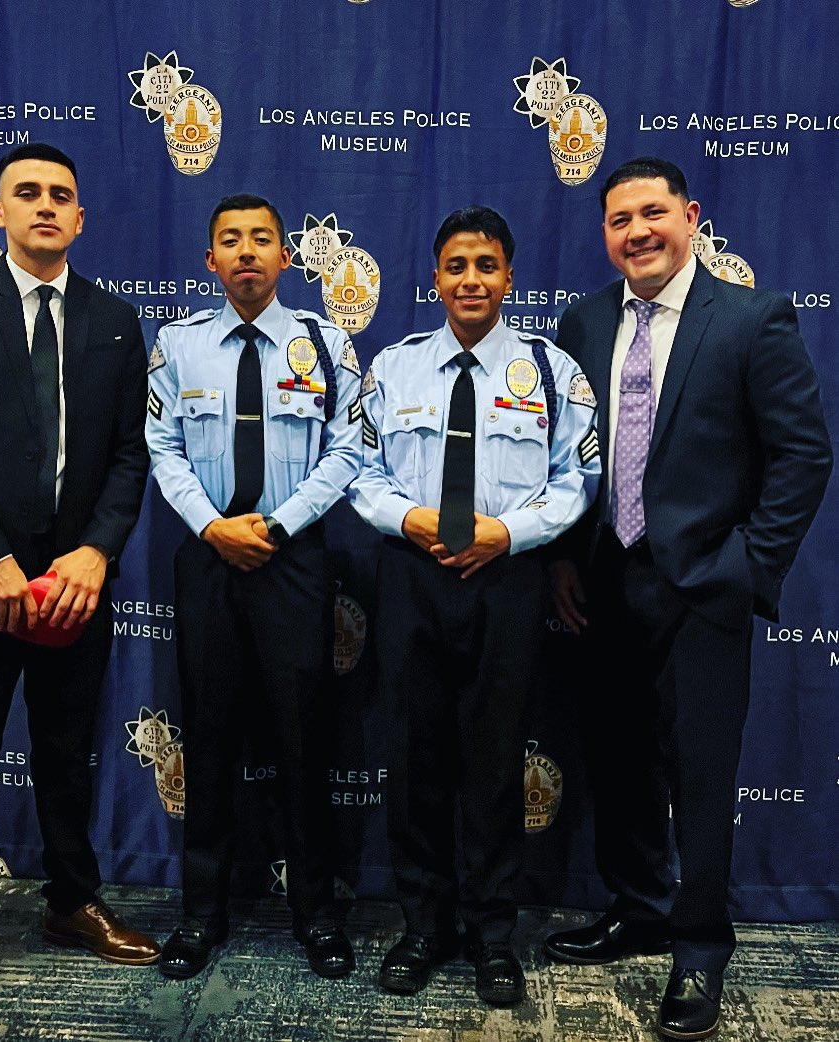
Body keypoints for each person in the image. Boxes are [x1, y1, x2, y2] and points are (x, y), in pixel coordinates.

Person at [543, 157, 832, 1040]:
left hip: (704, 587)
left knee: (702, 777)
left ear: (691, 216)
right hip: (601, 584)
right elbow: (565, 453)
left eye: (653, 213)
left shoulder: (751, 319)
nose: (638, 232)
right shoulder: (581, 322)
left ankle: (700, 947)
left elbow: (803, 455)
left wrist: (749, 564)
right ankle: (639, 910)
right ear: (604, 234)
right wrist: (561, 558)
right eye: (620, 219)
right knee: (621, 762)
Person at [0, 143, 159, 1016]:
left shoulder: (118, 321)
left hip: (77, 580)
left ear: (81, 218)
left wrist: (95, 553)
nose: (46, 205)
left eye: (62, 195)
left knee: (65, 750)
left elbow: (131, 455)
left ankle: (71, 902)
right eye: (28, 193)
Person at [350, 206, 600, 1005]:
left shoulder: (553, 372)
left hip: (509, 577)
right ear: (434, 279)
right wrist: (411, 518)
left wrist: (509, 532)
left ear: (508, 279)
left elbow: (577, 480)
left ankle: (493, 933)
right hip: (411, 574)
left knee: (495, 761)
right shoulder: (393, 367)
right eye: (456, 266)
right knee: (416, 754)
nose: (470, 280)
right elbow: (356, 468)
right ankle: (424, 926)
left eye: (486, 266)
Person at [146, 194, 363, 981]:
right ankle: (201, 915)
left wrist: (275, 526)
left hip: (293, 557)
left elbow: (347, 453)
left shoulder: (327, 343)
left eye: (261, 240)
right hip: (207, 557)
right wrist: (212, 526)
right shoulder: (178, 344)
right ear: (211, 261)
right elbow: (162, 447)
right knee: (206, 738)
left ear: (285, 258)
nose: (246, 253)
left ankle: (318, 913)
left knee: (305, 738)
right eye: (230, 242)